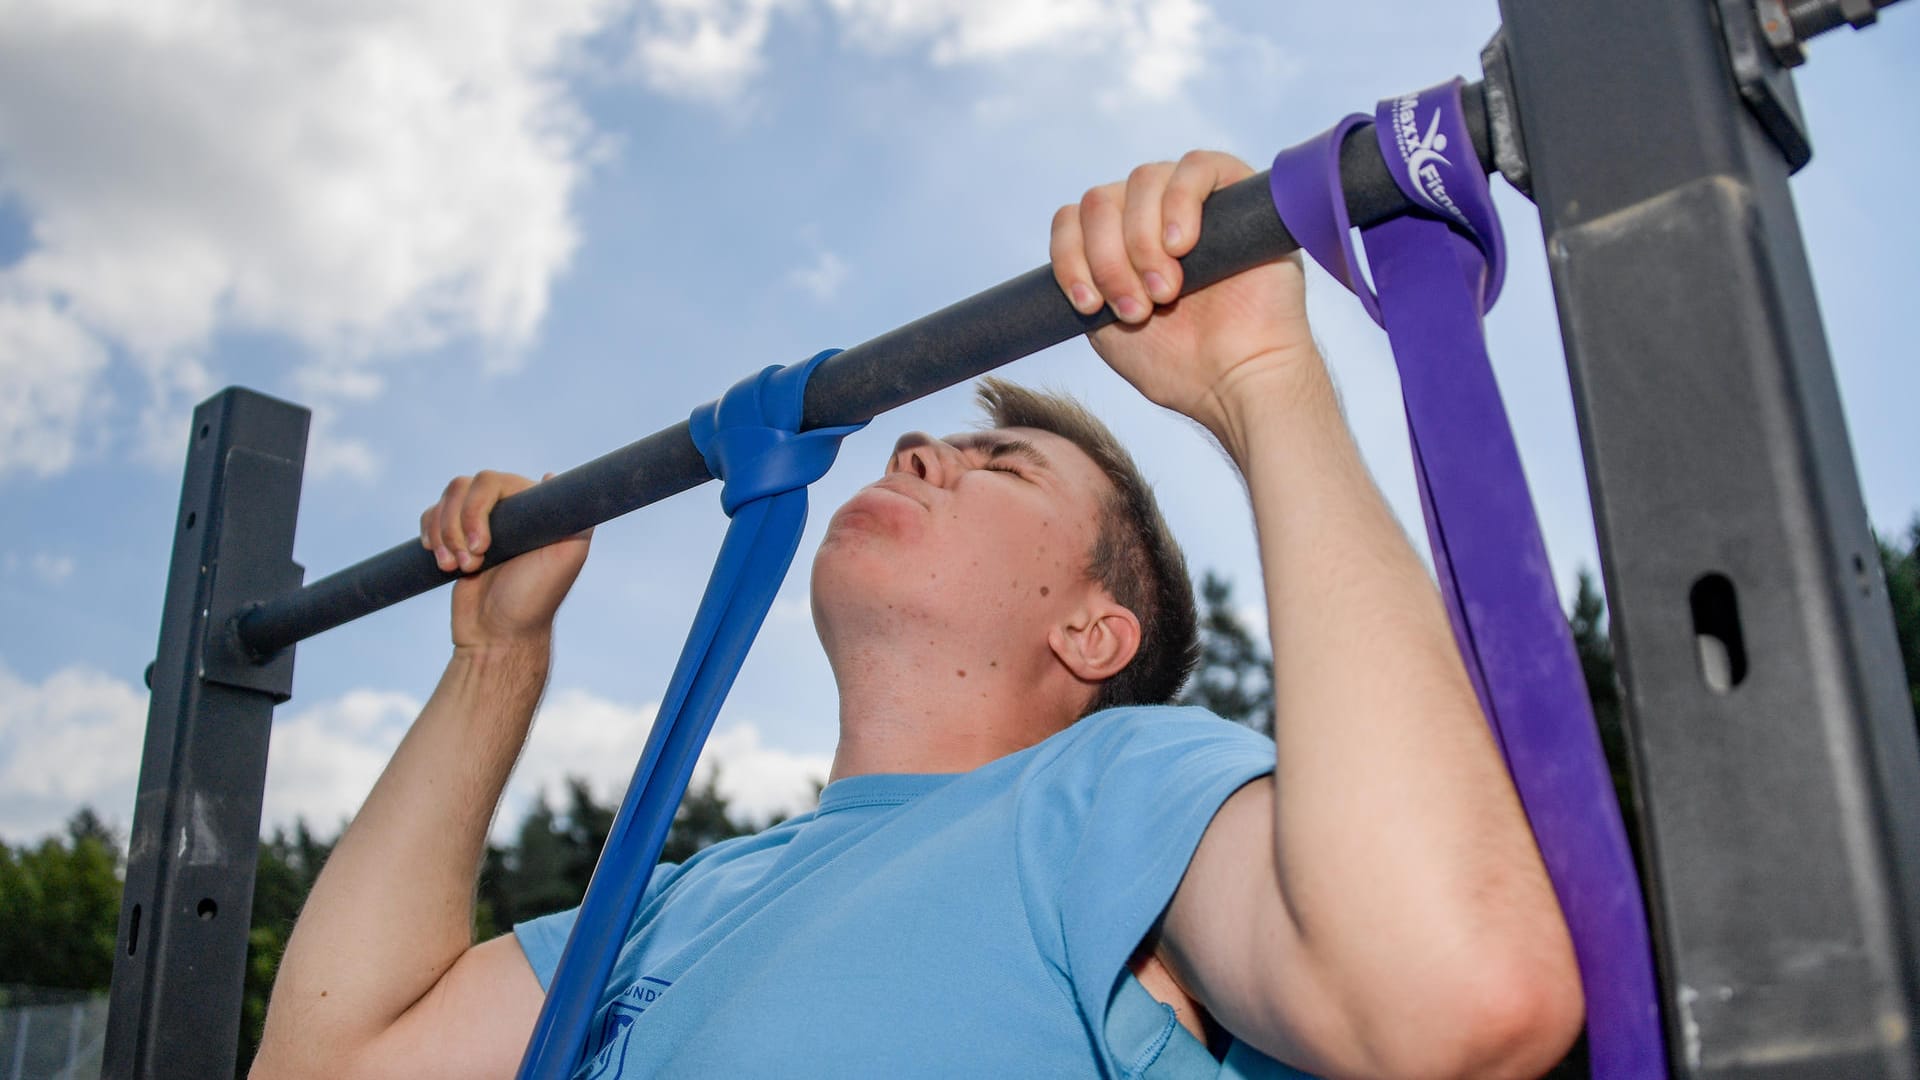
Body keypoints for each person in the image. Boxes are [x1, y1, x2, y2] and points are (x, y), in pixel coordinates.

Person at [252, 151, 1583, 1078]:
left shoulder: (1121, 793)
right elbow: (329, 1063)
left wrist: (1261, 379)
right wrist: (494, 661)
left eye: (997, 464)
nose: (912, 454)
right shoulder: (676, 900)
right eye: (925, 447)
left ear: (1093, 633)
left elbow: (1457, 1003)